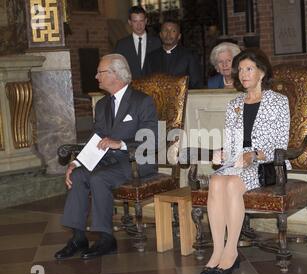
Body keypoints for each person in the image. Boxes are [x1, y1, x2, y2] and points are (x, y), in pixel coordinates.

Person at [54, 54, 158, 260]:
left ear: (115, 74)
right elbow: (96, 140)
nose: (96, 76)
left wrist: (119, 143)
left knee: (98, 177)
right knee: (78, 175)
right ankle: (78, 237)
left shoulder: (142, 101)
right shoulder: (101, 105)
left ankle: (106, 238)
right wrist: (76, 162)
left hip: (137, 162)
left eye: (100, 72)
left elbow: (152, 140)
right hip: (109, 162)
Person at [200, 49, 290, 274]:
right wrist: (221, 153)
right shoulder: (234, 104)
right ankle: (217, 250)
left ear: (262, 72)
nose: (243, 74)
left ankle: (231, 251)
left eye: (249, 69)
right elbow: (231, 143)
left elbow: (281, 145)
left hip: (267, 164)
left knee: (231, 184)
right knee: (216, 181)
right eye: (240, 69)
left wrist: (254, 156)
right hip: (238, 162)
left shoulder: (278, 102)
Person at [146, 20, 203, 89]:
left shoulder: (189, 56)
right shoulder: (151, 57)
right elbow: (148, 83)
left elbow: (196, 84)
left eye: (173, 31)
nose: (168, 34)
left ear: (179, 36)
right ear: (160, 34)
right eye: (165, 30)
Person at [114, 6, 161, 79]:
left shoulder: (157, 42)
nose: (139, 25)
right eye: (135, 21)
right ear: (130, 22)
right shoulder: (121, 45)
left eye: (141, 21)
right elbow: (117, 69)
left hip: (151, 87)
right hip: (130, 87)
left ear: (146, 21)